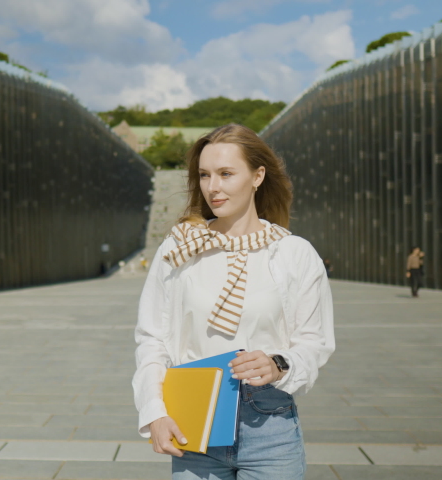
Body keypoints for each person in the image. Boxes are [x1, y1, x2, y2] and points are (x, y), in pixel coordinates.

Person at [133, 124, 335, 480]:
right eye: (205, 175)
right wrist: (154, 410)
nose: (213, 187)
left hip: (270, 423)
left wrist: (278, 364)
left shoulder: (293, 253)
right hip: (194, 421)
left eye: (226, 174)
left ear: (257, 176)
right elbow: (153, 339)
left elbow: (314, 342)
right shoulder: (180, 249)